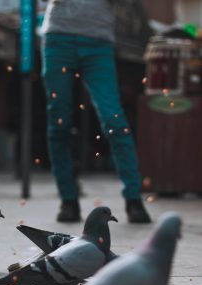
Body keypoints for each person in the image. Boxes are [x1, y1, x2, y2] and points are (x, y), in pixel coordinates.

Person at [41, 0, 151, 223]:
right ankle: (68, 199)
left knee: (115, 120)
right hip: (58, 37)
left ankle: (133, 198)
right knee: (59, 122)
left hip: (99, 42)